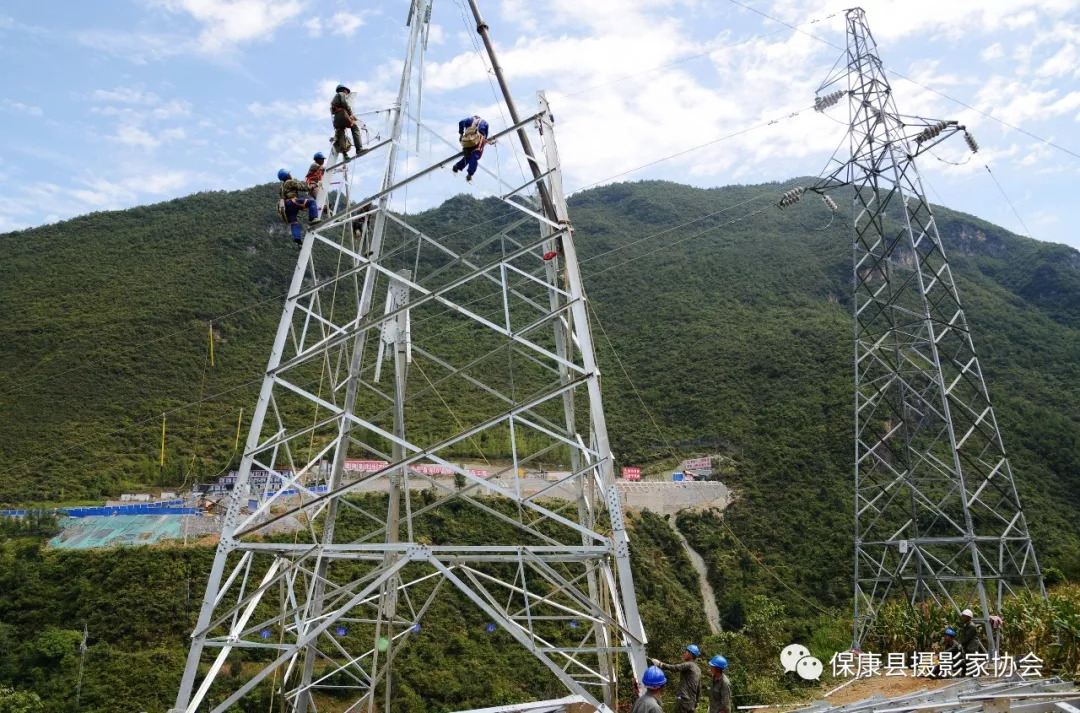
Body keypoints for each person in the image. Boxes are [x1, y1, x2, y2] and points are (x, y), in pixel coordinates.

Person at [651, 644, 701, 713]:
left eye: (685, 652)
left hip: (683, 699)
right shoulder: (698, 669)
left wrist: (660, 664)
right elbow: (698, 687)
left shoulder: (689, 665)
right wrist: (697, 701)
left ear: (690, 654)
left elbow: (675, 668)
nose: (683, 654)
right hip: (692, 702)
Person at [276, 169, 320, 246]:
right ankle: (313, 219)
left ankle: (298, 240)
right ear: (287, 175)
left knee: (294, 223)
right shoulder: (289, 182)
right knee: (312, 202)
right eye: (289, 174)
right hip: (293, 202)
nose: (290, 175)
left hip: (287, 207)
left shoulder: (281, 188)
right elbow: (304, 188)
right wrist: (315, 185)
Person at [452, 115, 489, 182]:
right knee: (474, 156)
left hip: (468, 140)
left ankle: (457, 166)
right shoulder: (485, 123)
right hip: (478, 141)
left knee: (468, 156)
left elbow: (461, 122)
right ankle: (470, 173)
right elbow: (485, 137)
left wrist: (461, 133)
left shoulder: (469, 119)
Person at [331, 84, 363, 158]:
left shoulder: (334, 99)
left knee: (341, 133)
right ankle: (359, 149)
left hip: (336, 119)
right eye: (346, 92)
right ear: (343, 90)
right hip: (342, 115)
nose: (346, 94)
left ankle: (345, 154)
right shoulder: (341, 94)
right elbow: (344, 103)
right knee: (354, 127)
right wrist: (350, 113)